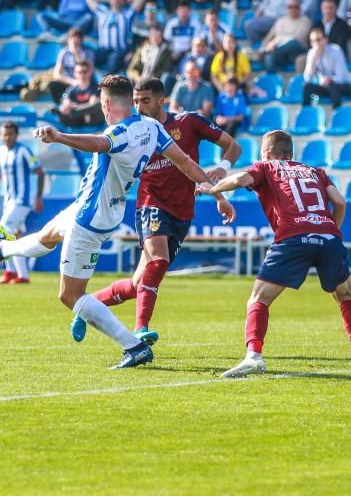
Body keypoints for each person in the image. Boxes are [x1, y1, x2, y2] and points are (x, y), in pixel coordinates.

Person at [0, 74, 219, 368]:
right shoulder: (153, 128)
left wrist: (60, 136)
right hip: (99, 210)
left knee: (70, 295)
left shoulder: (120, 133)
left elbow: (98, 142)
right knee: (48, 235)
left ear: (106, 103)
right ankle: (1, 249)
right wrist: (216, 192)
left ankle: (134, 347)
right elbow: (184, 161)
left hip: (90, 218)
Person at [197, 130, 351, 378]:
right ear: (290, 154)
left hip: (293, 236)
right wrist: (332, 231)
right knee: (345, 295)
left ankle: (254, 356)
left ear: (267, 153)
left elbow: (240, 181)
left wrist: (211, 189)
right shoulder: (315, 171)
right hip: (328, 236)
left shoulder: (267, 167)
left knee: (258, 298)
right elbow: (340, 202)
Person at [80, 76, 239, 345]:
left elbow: (232, 146)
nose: (139, 107)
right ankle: (141, 329)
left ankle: (86, 307)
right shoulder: (135, 130)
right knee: (159, 260)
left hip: (182, 210)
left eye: (145, 101)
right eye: (136, 102)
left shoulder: (189, 122)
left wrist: (222, 173)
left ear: (162, 100)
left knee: (136, 284)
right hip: (150, 203)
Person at [0, 121, 44, 286]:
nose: (7, 137)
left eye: (11, 134)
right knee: (15, 236)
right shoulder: (0, 152)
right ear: (0, 136)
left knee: (2, 230)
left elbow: (40, 172)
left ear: (16, 135)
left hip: (22, 201)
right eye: (4, 134)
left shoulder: (24, 151)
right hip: (8, 201)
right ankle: (20, 274)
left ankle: (10, 271)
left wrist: (38, 197)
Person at [302, 27, 351, 107]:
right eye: (312, 41)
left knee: (333, 87)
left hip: (344, 85)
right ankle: (306, 114)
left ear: (325, 40)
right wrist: (313, 61)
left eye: (318, 40)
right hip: (325, 86)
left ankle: (336, 115)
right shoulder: (311, 53)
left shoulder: (336, 51)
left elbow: (340, 78)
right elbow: (307, 78)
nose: (316, 43)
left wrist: (329, 80)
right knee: (307, 87)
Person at [54, 60, 103, 128]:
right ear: (75, 73)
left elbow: (93, 104)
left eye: (84, 71)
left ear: (90, 72)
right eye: (79, 72)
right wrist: (66, 105)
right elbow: (66, 101)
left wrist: (76, 107)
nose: (82, 74)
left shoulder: (96, 87)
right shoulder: (72, 89)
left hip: (92, 118)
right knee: (64, 109)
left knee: (97, 105)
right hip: (78, 119)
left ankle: (74, 113)